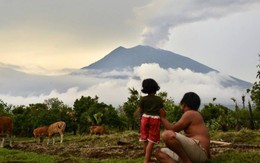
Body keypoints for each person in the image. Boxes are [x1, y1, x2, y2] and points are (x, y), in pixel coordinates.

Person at [155, 92, 210, 163]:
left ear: (184, 104)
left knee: (167, 135)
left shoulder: (190, 113)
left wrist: (163, 118)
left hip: (198, 151)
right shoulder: (196, 114)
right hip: (195, 153)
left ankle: (186, 161)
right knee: (159, 153)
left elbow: (173, 129)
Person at [138, 78, 164, 163]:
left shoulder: (143, 99)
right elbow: (161, 111)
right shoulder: (158, 99)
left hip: (144, 118)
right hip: (154, 119)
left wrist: (140, 120)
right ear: (155, 88)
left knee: (145, 140)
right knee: (151, 141)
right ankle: (146, 160)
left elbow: (140, 111)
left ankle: (147, 158)